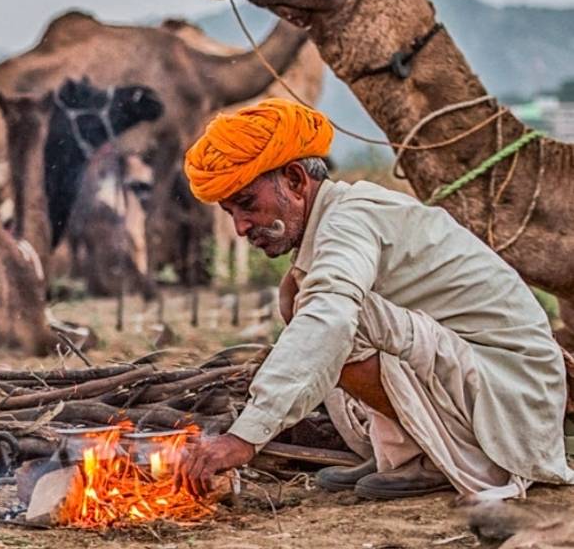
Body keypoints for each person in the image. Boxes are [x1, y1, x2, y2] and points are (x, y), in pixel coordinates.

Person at [178, 99, 573, 500]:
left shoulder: (350, 219)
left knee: (336, 312)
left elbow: (330, 320)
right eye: (230, 213)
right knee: (303, 296)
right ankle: (406, 449)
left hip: (510, 396)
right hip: (482, 382)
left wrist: (244, 438)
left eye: (246, 205)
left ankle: (433, 456)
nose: (241, 227)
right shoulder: (338, 218)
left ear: (296, 181)